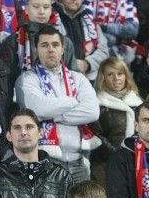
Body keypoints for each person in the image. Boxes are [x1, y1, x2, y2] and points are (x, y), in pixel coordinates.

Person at [16, 25, 101, 181]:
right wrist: (74, 102)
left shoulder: (79, 78)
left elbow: (92, 112)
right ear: (36, 49)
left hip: (79, 162)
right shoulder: (27, 79)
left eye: (55, 45)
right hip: (44, 161)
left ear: (63, 49)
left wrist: (53, 116)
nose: (50, 49)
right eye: (44, 45)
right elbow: (37, 110)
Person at [53, 0, 108, 79]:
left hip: (88, 79)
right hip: (56, 78)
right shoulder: (48, 18)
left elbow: (104, 50)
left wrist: (87, 64)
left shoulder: (90, 19)